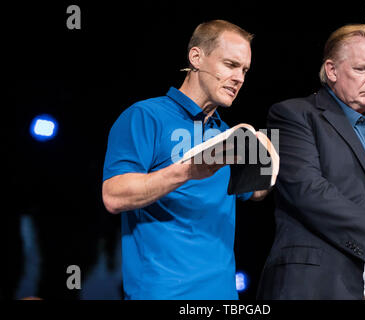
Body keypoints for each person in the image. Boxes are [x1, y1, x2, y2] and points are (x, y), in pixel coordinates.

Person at [257, 24, 365, 300]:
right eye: (363, 68)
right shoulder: (293, 115)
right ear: (332, 70)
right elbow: (309, 191)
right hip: (320, 280)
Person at [102, 20, 268, 300]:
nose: (239, 78)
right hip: (163, 294)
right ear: (196, 58)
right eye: (230, 64)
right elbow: (114, 196)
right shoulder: (145, 116)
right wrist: (187, 171)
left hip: (224, 295)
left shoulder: (227, 134)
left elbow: (254, 193)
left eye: (245, 70)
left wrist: (268, 161)